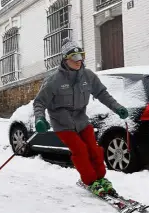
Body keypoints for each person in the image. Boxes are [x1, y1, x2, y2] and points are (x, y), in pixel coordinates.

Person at [33, 38, 129, 197]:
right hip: (62, 123)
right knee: (80, 150)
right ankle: (90, 180)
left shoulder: (88, 76)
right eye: (75, 57)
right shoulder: (54, 80)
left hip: (81, 120)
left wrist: (117, 107)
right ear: (66, 59)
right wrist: (39, 119)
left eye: (81, 56)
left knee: (94, 149)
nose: (79, 61)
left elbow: (102, 94)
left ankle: (100, 178)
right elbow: (39, 102)